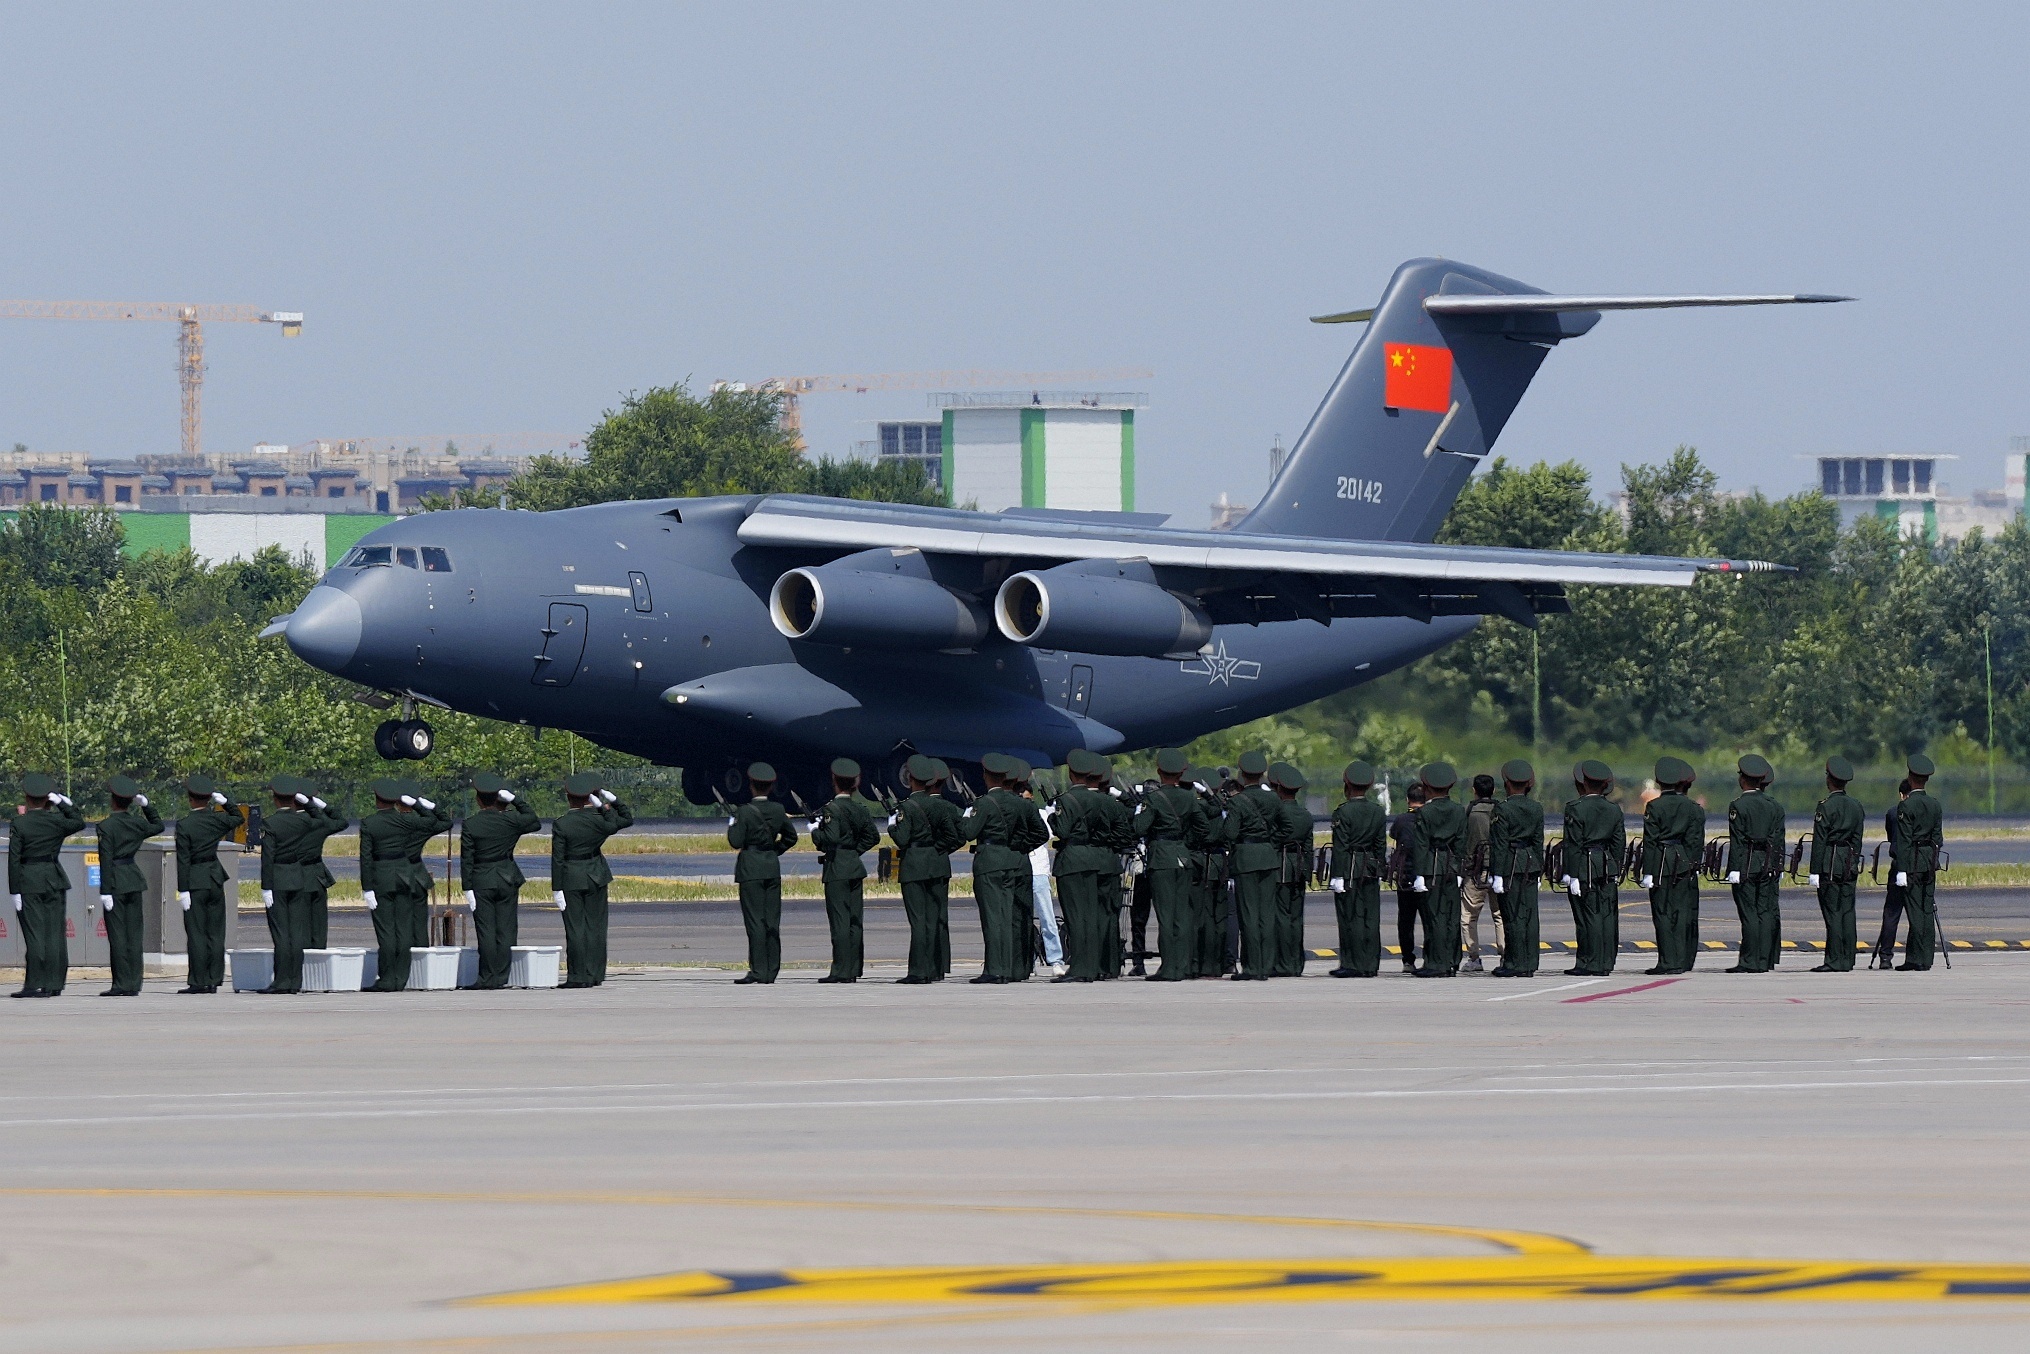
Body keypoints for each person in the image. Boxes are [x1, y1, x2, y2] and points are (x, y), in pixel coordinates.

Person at [361, 779, 454, 992]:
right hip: (409, 877)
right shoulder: (410, 822)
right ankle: (406, 976)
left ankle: (387, 978)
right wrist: (421, 804)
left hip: (383, 877)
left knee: (387, 931)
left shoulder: (370, 823)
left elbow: (366, 858)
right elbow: (442, 821)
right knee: (409, 929)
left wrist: (367, 887)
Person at [259, 775, 347, 994]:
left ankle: (282, 980)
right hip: (304, 877)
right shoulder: (308, 822)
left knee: (282, 933)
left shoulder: (272, 823)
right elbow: (338, 821)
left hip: (281, 878)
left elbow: (267, 857)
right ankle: (300, 979)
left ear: (276, 798)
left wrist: (266, 885)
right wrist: (314, 805)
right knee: (306, 932)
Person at [551, 772, 631, 988]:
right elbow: (626, 819)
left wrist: (556, 887)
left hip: (571, 877)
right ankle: (595, 973)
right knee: (596, 927)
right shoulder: (600, 820)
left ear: (569, 797)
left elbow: (558, 859)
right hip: (596, 874)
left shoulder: (562, 824)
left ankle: (578, 976)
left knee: (575, 929)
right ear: (592, 796)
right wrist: (610, 803)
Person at [460, 772, 540, 989]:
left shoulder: (471, 824)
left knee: (486, 930)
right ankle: (503, 976)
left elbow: (467, 859)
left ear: (478, 800)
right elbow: (534, 821)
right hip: (506, 877)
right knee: (506, 929)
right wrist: (516, 800)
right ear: (499, 798)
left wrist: (467, 887)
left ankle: (487, 977)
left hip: (482, 879)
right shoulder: (511, 820)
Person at [10, 773, 86, 998]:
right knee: (55, 933)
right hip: (53, 877)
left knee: (35, 933)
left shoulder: (20, 823)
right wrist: (63, 803)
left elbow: (14, 858)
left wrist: (14, 890)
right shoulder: (56, 821)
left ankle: (35, 983)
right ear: (48, 800)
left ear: (27, 798)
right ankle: (54, 983)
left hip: (29, 879)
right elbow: (79, 822)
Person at [1133, 750, 1206, 981]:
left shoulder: (1154, 798)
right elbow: (1203, 827)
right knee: (1181, 915)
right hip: (1182, 855)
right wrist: (1184, 840)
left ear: (1159, 772)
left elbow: (1139, 828)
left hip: (1161, 856)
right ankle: (1182, 965)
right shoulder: (1188, 798)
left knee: (1165, 915)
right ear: (1181, 773)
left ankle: (1169, 967)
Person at [891, 754, 962, 983]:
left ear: (910, 779)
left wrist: (893, 827)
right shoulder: (939, 806)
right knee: (933, 919)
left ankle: (918, 971)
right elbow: (952, 836)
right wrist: (936, 849)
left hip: (914, 865)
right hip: (936, 864)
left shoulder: (907, 807)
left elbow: (902, 839)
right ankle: (933, 968)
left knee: (917, 921)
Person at [811, 758, 880, 983]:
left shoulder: (832, 809)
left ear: (835, 781)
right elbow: (873, 837)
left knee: (840, 921)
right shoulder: (859, 808)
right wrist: (853, 852)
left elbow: (829, 838)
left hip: (837, 868)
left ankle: (841, 970)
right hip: (853, 865)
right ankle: (853, 968)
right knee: (854, 921)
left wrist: (815, 832)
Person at [729, 763, 796, 985]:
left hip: (751, 868)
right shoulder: (778, 809)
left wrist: (733, 824)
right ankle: (771, 970)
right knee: (772, 921)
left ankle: (758, 970)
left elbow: (735, 841)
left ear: (751, 785)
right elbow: (791, 837)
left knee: (755, 921)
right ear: (771, 786)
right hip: (771, 866)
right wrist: (774, 850)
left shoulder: (744, 811)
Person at [94, 774, 162, 997]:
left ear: (112, 801)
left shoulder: (106, 826)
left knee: (118, 935)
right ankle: (134, 982)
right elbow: (158, 825)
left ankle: (121, 983)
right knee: (134, 934)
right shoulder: (137, 823)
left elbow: (105, 859)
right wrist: (146, 806)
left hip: (115, 882)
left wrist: (105, 890)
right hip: (133, 878)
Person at [1050, 750, 1114, 982]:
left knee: (1075, 916)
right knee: (1090, 915)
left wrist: (1052, 818)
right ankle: (1090, 966)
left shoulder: (1066, 800)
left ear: (1071, 773)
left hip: (1072, 859)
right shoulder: (1100, 799)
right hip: (1092, 856)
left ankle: (1078, 968)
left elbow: (1063, 830)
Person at [175, 774, 242, 995]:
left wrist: (183, 889)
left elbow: (183, 859)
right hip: (214, 877)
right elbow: (238, 817)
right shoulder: (216, 820)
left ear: (190, 799)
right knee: (215, 932)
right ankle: (214, 978)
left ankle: (198, 980)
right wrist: (225, 802)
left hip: (195, 879)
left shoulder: (185, 825)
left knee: (196, 932)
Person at [1639, 757, 1704, 976]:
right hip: (1683, 860)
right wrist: (1693, 863)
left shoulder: (1655, 806)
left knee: (1663, 913)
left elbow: (1650, 841)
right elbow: (1695, 840)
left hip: (1661, 861)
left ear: (1659, 781)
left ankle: (1668, 961)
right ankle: (1683, 959)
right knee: (1683, 912)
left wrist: (1648, 871)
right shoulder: (1692, 807)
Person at [1561, 760, 1626, 977]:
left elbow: (1573, 844)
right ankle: (1606, 960)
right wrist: (1615, 867)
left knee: (1588, 916)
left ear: (1585, 783)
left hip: (1585, 865)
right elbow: (1618, 843)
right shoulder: (1613, 809)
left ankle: (1590, 961)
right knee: (1607, 915)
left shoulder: (1575, 808)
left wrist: (1571, 873)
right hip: (1606, 864)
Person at [1725, 754, 1785, 973]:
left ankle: (1749, 960)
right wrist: (1778, 865)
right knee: (1765, 912)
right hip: (1768, 862)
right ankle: (1764, 959)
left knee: (1749, 913)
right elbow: (1778, 839)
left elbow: (1738, 841)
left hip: (1747, 863)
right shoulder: (1774, 806)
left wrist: (1734, 868)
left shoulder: (1738, 805)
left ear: (1743, 779)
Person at [1326, 761, 1387, 977]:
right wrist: (1380, 868)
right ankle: (1370, 964)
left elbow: (1341, 846)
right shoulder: (1377, 811)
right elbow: (1380, 845)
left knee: (1350, 916)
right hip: (1370, 866)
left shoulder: (1343, 812)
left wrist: (1338, 875)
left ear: (1348, 785)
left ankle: (1352, 963)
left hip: (1350, 867)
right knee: (1370, 916)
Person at [1487, 759, 1545, 978]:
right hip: (1530, 863)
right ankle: (1530, 962)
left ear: (1507, 783)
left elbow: (1500, 844)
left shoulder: (1503, 809)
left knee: (1512, 916)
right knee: (1530, 915)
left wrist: (1497, 874)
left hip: (1511, 864)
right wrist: (1539, 869)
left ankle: (1514, 962)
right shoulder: (1536, 807)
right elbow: (1538, 841)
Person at [1808, 755, 1865, 973]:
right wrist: (1853, 861)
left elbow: (1819, 841)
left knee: (1832, 913)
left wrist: (1815, 870)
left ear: (1829, 779)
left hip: (1830, 862)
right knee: (1848, 912)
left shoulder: (1826, 807)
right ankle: (1847, 958)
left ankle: (1834, 959)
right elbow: (1857, 839)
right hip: (1849, 861)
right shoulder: (1856, 806)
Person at [1411, 762, 1467, 977]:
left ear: (1427, 787)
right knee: (1452, 915)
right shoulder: (1458, 810)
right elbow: (1461, 842)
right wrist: (1460, 869)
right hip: (1451, 866)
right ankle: (1452, 960)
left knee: (1434, 916)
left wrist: (1419, 874)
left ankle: (1436, 962)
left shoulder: (1425, 812)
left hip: (1431, 866)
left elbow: (1421, 845)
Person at [1228, 749, 1280, 979]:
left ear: (1241, 773)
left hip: (1246, 857)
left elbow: (1230, 832)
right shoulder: (1273, 798)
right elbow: (1285, 826)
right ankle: (1266, 964)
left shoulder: (1237, 801)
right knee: (1266, 914)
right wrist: (1268, 842)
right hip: (1267, 855)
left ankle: (1252, 966)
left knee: (1249, 914)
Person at [1891, 752, 1945, 971]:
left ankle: (1917, 959)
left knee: (1915, 912)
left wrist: (1901, 870)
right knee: (1926, 909)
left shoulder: (1906, 806)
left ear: (1910, 778)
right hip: (1929, 861)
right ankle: (1924, 958)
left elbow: (1904, 841)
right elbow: (1938, 839)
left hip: (1912, 862)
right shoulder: (1935, 805)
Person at [1012, 762, 1067, 977]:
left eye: (1028, 799)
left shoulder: (1041, 814)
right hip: (1019, 870)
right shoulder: (1014, 814)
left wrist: (1053, 812)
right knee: (1020, 918)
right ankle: (1027, 959)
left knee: (1047, 917)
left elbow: (1052, 831)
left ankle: (1055, 960)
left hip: (1038, 872)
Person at [1187, 771, 1237, 977]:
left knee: (1204, 915)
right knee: (1221, 916)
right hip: (1221, 862)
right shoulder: (1227, 806)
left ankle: (1202, 963)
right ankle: (1221, 962)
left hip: (1204, 861)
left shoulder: (1200, 806)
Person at [1269, 763, 1313, 975]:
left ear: (1278, 788)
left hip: (1281, 865)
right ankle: (1296, 963)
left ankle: (1283, 963)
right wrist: (1308, 871)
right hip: (1299, 866)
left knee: (1281, 916)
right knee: (1296, 917)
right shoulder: (1305, 814)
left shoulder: (1276, 813)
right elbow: (1309, 847)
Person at [1460, 773, 1501, 973]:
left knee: (1469, 916)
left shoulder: (1470, 813)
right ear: (1493, 790)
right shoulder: (1500, 811)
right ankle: (1505, 954)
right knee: (1500, 915)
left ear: (1474, 791)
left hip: (1475, 870)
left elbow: (1466, 843)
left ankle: (1474, 957)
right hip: (1499, 869)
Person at [1873, 779, 1913, 969]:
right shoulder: (1923, 810)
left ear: (1901, 794)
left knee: (1891, 913)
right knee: (1917, 913)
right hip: (1918, 865)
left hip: (1897, 865)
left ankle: (1885, 956)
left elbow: (1891, 837)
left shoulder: (1892, 813)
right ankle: (1916, 955)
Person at [1388, 782, 1428, 973]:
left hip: (1406, 874)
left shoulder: (1401, 820)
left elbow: (1394, 834)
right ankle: (1430, 957)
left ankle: (1408, 960)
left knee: (1405, 920)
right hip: (1426, 873)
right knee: (1429, 919)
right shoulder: (1428, 818)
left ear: (1407, 800)